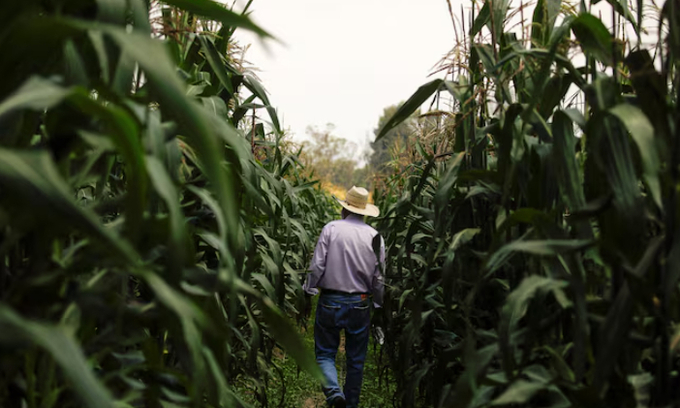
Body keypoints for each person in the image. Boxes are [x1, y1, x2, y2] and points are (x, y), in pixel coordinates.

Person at [303, 186, 385, 408]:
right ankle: (350, 405)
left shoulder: (331, 229)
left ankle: (333, 393)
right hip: (360, 302)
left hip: (330, 300)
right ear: (365, 211)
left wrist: (309, 290)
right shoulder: (375, 236)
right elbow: (379, 277)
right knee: (356, 361)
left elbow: (318, 265)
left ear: (345, 209)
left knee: (325, 355)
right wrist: (377, 303)